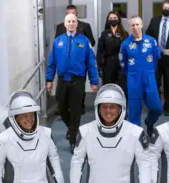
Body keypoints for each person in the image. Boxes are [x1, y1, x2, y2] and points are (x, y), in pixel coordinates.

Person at [46, 13, 99, 154]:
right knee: (62, 107)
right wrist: (49, 80)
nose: (71, 24)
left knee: (76, 111)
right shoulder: (58, 41)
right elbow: (52, 62)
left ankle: (73, 139)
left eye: (73, 21)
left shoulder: (84, 41)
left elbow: (91, 63)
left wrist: (94, 81)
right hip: (62, 81)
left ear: (77, 23)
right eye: (68, 21)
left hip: (78, 81)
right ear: (65, 24)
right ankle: (71, 128)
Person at [119, 16, 163, 137]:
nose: (135, 27)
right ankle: (136, 137)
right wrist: (132, 73)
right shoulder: (125, 44)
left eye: (137, 24)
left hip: (149, 78)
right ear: (130, 27)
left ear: (142, 25)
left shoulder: (151, 41)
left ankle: (149, 123)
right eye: (133, 25)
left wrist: (149, 72)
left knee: (157, 108)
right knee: (134, 111)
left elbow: (156, 59)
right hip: (133, 79)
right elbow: (123, 63)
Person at [55, 4, 96, 115]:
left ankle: (79, 107)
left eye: (73, 14)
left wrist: (80, 46)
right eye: (68, 14)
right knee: (62, 91)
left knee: (79, 89)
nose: (71, 17)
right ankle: (64, 108)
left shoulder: (85, 26)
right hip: (64, 66)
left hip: (80, 63)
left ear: (76, 15)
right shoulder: (60, 27)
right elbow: (56, 45)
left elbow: (92, 41)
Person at [97, 11, 129, 95]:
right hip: (109, 63)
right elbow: (100, 52)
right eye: (110, 18)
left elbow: (128, 51)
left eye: (115, 18)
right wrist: (100, 67)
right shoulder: (104, 34)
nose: (113, 20)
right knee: (108, 88)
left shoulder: (125, 34)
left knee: (123, 88)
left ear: (119, 19)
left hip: (122, 63)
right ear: (108, 20)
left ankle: (123, 106)